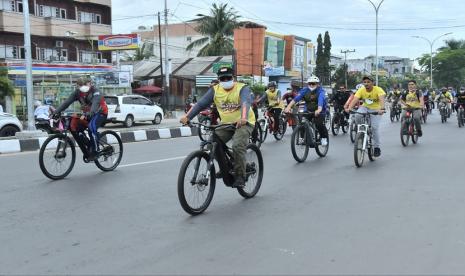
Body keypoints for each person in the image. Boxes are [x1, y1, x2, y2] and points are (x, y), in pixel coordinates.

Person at [180, 67, 255, 188]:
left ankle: (240, 175)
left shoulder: (242, 88)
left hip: (244, 122)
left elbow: (245, 102)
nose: (225, 80)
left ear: (233, 78)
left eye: (228, 78)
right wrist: (187, 117)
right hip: (226, 123)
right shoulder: (215, 90)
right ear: (219, 79)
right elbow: (201, 104)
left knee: (237, 145)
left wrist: (243, 117)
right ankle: (225, 166)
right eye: (222, 78)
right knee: (212, 143)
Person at [54, 77, 108, 161]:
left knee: (91, 128)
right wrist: (56, 111)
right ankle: (88, 144)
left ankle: (96, 150)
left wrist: (91, 112)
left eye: (85, 84)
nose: (83, 87)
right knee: (73, 125)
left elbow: (95, 103)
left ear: (89, 84)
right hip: (87, 114)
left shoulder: (96, 92)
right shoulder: (77, 93)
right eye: (80, 86)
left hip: (100, 114)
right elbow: (67, 102)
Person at [345, 76, 386, 157]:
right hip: (365, 107)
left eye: (368, 82)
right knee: (357, 115)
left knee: (374, 128)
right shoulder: (361, 90)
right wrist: (349, 108)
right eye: (365, 82)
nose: (366, 83)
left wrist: (382, 109)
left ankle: (377, 147)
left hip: (376, 109)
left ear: (372, 83)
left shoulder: (378, 89)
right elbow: (355, 99)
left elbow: (382, 99)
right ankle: (362, 131)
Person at [284, 76, 329, 146]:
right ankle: (302, 138)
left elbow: (321, 100)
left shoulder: (321, 91)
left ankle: (323, 138)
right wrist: (288, 107)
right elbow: (296, 99)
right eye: (309, 84)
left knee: (319, 124)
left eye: (313, 84)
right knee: (302, 122)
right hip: (308, 110)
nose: (311, 85)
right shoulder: (305, 90)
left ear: (317, 84)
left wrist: (319, 109)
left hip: (320, 111)